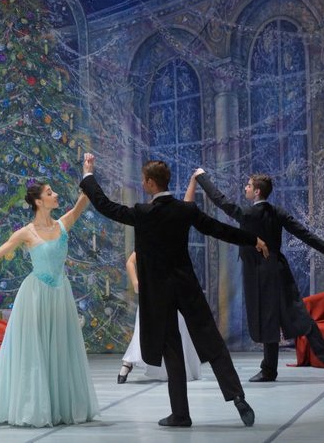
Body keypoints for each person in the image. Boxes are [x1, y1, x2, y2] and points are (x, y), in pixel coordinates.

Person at [79, 153, 268, 428]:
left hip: (158, 294)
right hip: (186, 285)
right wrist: (253, 239)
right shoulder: (185, 210)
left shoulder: (143, 213)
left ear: (150, 183)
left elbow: (105, 206)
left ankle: (180, 414)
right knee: (211, 340)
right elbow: (218, 229)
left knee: (172, 351)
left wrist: (88, 174)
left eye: (143, 180)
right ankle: (237, 396)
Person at [0, 182, 99, 427]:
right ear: (38, 201)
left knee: (59, 349)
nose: (55, 195)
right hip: (35, 296)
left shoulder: (63, 224)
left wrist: (87, 173)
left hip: (60, 295)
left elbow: (84, 199)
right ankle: (15, 404)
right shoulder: (27, 232)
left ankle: (57, 405)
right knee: (31, 352)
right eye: (49, 193)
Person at [194, 168, 324, 381]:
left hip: (261, 273)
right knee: (294, 315)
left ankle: (269, 370)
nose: (245, 188)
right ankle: (270, 369)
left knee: (272, 318)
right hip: (278, 269)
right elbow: (304, 234)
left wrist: (201, 177)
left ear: (257, 192)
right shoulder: (277, 212)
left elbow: (221, 201)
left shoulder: (248, 214)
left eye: (248, 185)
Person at [119, 173, 202, 384]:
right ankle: (129, 361)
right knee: (146, 327)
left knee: (176, 328)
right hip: (155, 289)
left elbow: (186, 206)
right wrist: (137, 283)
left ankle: (173, 368)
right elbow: (131, 261)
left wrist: (193, 182)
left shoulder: (172, 222)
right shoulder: (150, 236)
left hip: (173, 287)